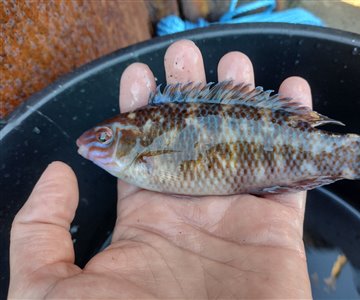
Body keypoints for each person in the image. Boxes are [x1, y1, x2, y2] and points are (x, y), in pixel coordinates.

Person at [8, 40, 312, 298]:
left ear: (135, 142)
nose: (90, 144)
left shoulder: (141, 159)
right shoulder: (139, 158)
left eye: (104, 138)